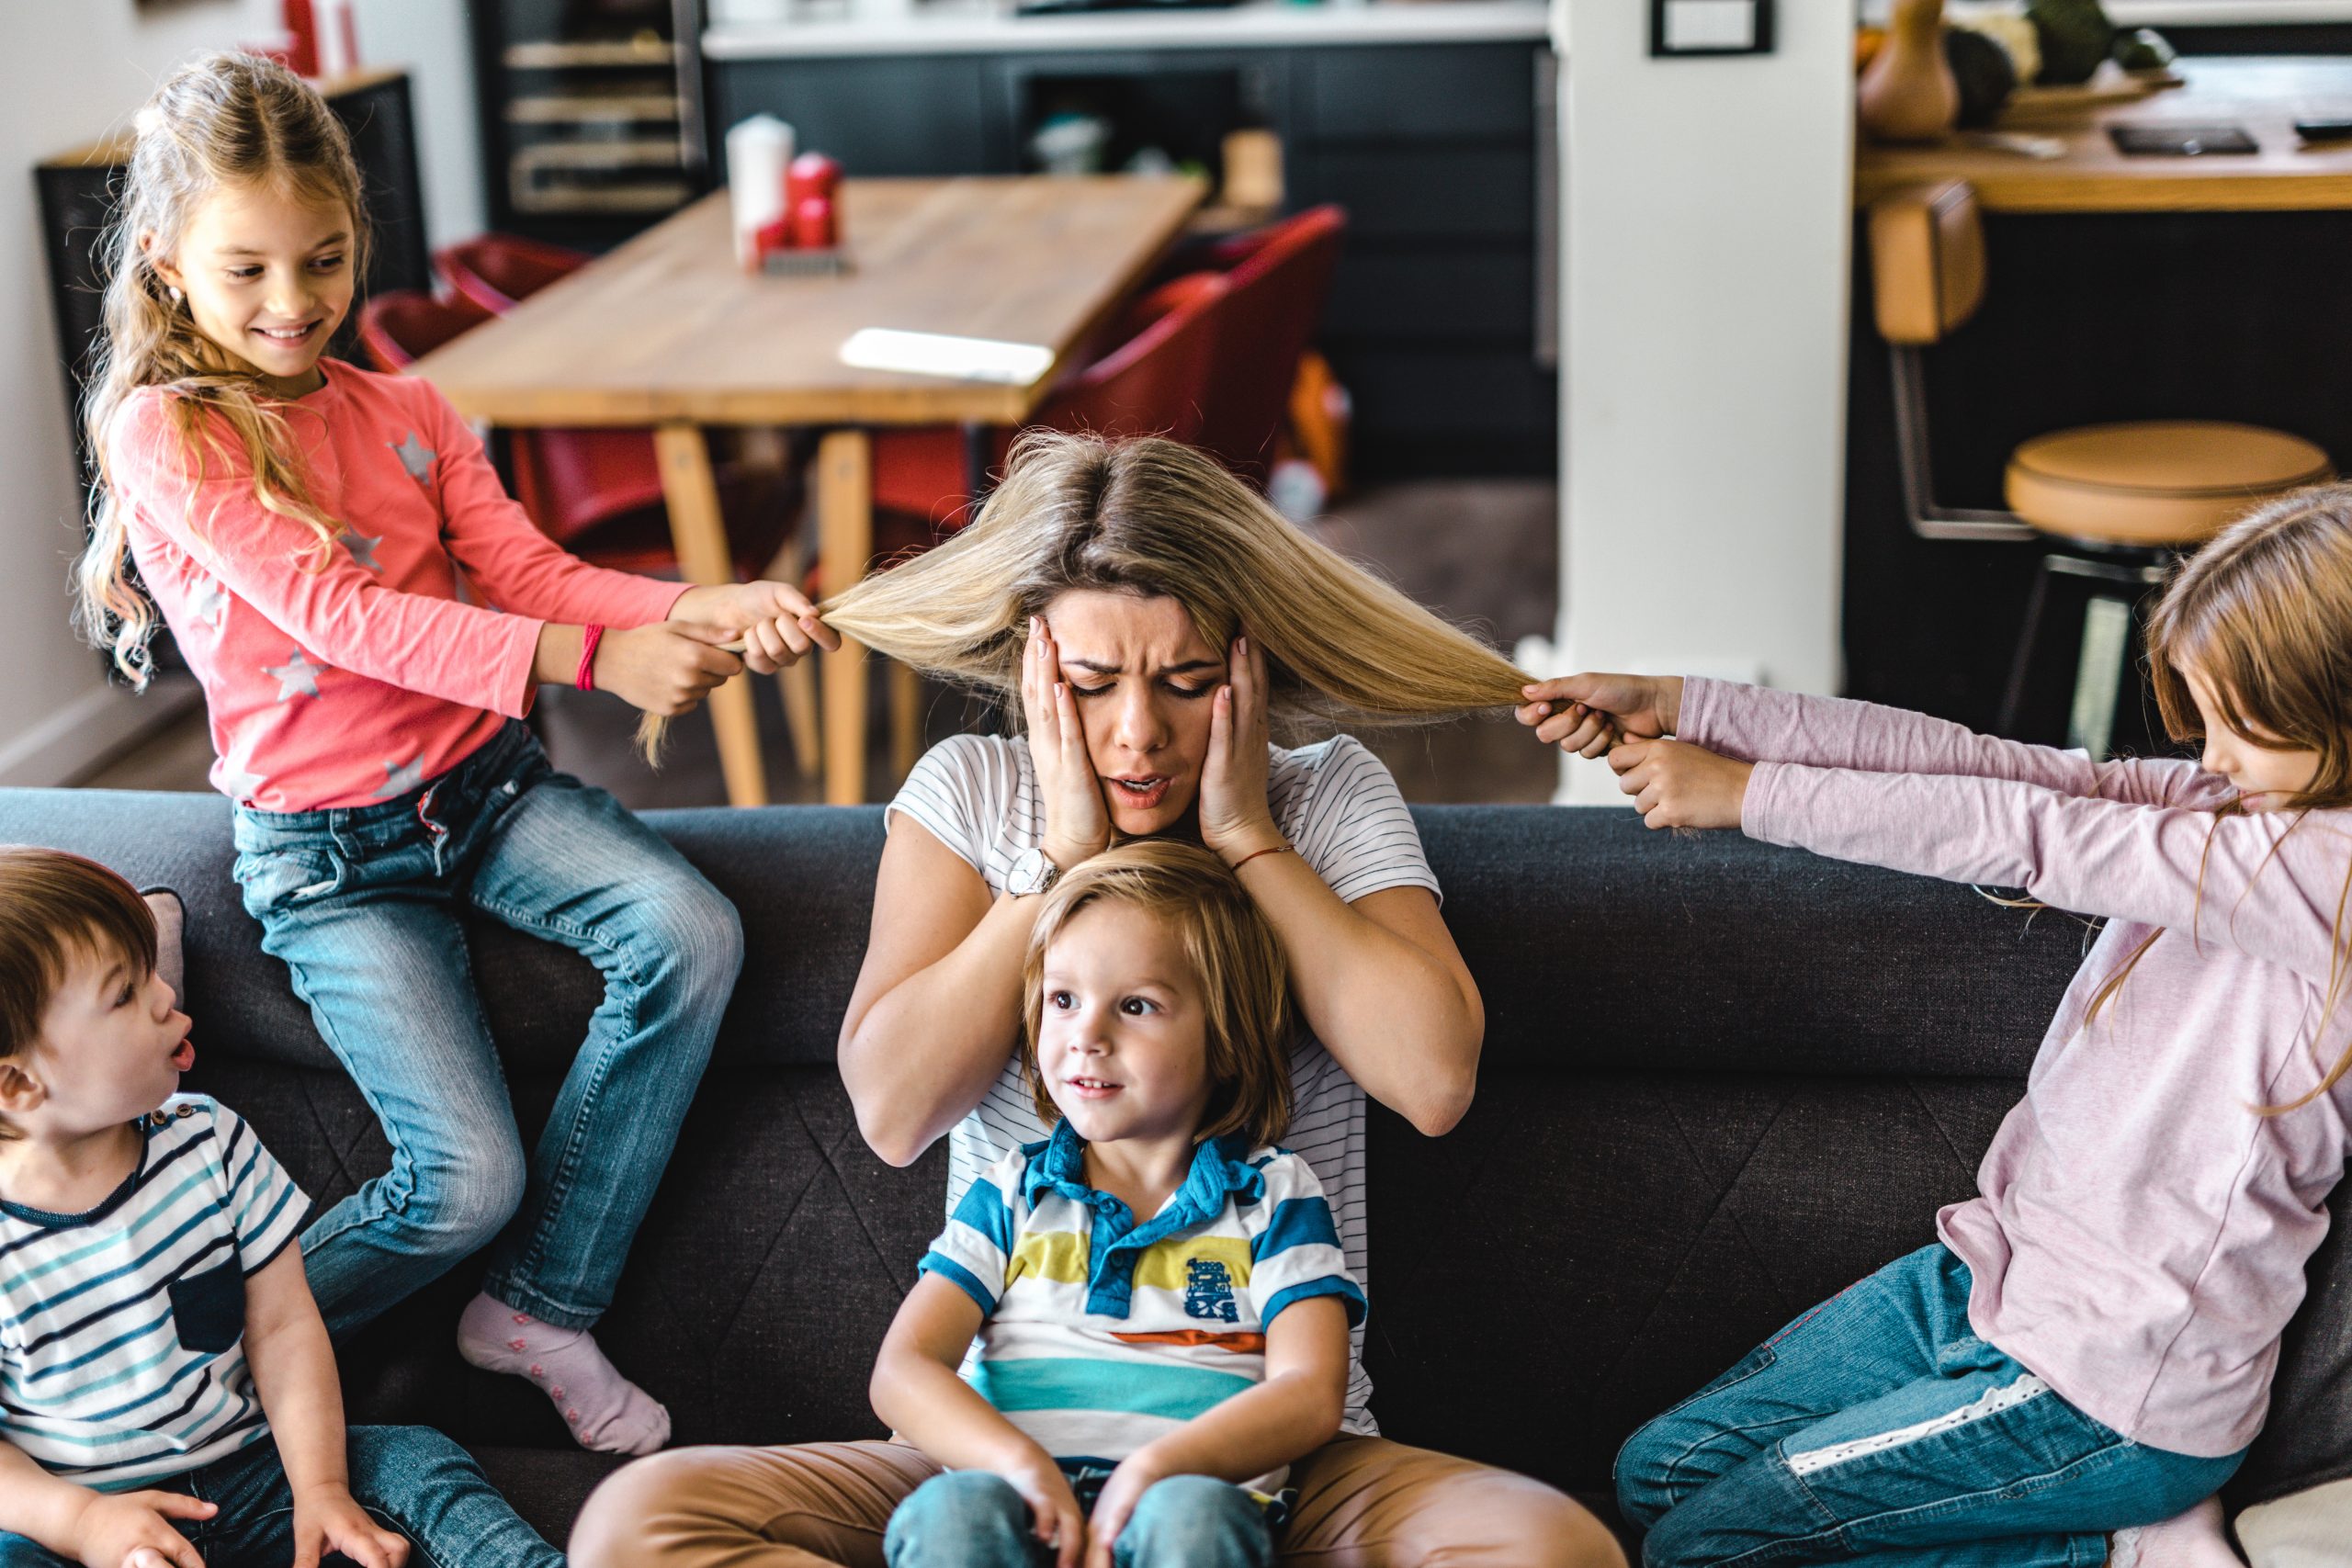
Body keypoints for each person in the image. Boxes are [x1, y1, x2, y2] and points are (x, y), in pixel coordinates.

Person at [572, 432, 1625, 1567]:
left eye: (1183, 683)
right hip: (987, 1456)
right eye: (1088, 687)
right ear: (1032, 666)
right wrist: (1053, 861)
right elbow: (891, 1112)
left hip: (1256, 1463)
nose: (1136, 734)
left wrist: (1246, 839)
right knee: (636, 1526)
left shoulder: (1321, 802)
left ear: (1246, 661)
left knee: (1555, 1549)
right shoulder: (973, 794)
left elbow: (1430, 1082)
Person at [74, 51, 840, 1457]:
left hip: (482, 789)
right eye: (247, 270)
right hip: (326, 855)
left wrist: (691, 603)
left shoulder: (409, 411)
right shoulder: (163, 432)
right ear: (171, 266)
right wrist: (603, 660)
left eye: (322, 259)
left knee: (693, 928)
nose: (295, 303)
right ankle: (207, 1363)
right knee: (463, 1177)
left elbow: (532, 570)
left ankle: (544, 1306)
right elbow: (342, 617)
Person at [1519, 484, 2352, 1567]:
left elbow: (2031, 832)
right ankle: (2095, 1526)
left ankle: (2106, 1553)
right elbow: (1999, 769)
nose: (2214, 755)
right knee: (1656, 1475)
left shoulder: (2330, 881)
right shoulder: (2233, 804)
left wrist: (1750, 796)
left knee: (1699, 1550)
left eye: (2249, 723)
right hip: (1991, 1277)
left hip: (2104, 1380)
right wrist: (1688, 703)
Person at [0, 847, 564, 1568]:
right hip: (87, 1519)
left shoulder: (211, 1141)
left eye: (150, 969)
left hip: (253, 1475)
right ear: (18, 1085)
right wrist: (84, 1523)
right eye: (123, 993)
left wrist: (321, 1486)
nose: (164, 994)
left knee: (412, 1460)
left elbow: (284, 1325)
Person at [874, 840, 1360, 1568]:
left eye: (1135, 1005)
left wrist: (1152, 1469)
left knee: (1191, 1520)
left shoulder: (1273, 1194)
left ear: (1224, 1036)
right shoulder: (1013, 1189)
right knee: (949, 1515)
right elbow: (904, 1368)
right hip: (1015, 1504)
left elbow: (1312, 1392)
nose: (1086, 1036)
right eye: (1063, 999)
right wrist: (1022, 1466)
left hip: (1189, 1500)